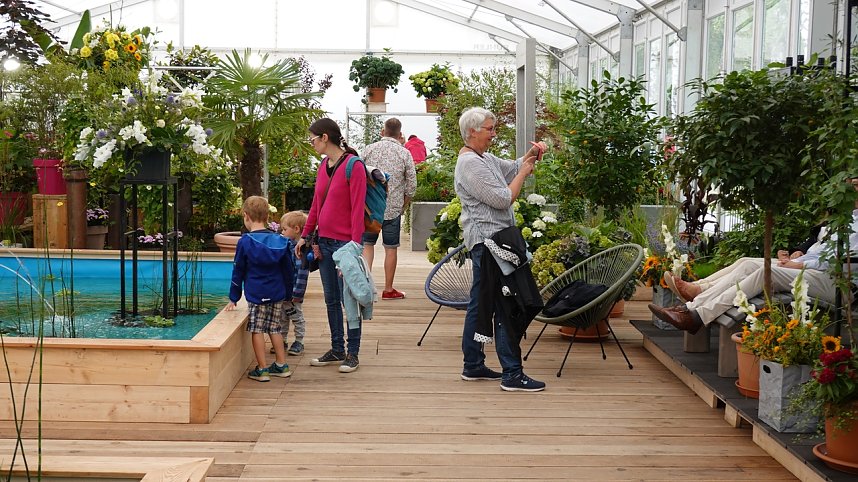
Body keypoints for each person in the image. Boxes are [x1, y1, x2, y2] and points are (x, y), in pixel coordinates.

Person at [652, 197, 858, 333]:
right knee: (748, 263)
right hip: (814, 269)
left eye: (855, 186)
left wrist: (800, 264)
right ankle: (696, 297)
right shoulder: (845, 218)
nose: (850, 190)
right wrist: (799, 254)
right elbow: (820, 247)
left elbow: (847, 260)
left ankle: (697, 315)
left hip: (839, 283)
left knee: (766, 272)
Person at [455, 106, 547, 392]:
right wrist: (524, 171)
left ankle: (473, 364)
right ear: (472, 131)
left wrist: (531, 156)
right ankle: (512, 373)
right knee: (508, 305)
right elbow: (503, 198)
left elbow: (511, 166)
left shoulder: (484, 159)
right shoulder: (470, 164)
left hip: (492, 242)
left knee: (481, 303)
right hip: (492, 244)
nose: (494, 134)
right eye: (490, 129)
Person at [294, 118, 366, 373]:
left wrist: (355, 248)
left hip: (345, 246)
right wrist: (305, 234)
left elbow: (358, 209)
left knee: (350, 299)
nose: (311, 143)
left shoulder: (354, 166)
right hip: (323, 243)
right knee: (331, 299)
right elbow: (316, 204)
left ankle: (353, 353)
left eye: (312, 139)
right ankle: (337, 348)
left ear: (325, 137)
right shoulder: (323, 165)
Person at [225, 196, 293, 382]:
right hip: (277, 292)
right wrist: (288, 294)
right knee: (275, 328)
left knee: (257, 329)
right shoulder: (280, 241)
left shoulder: (245, 242)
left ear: (246, 216)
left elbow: (238, 270)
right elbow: (288, 271)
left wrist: (234, 297)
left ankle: (262, 369)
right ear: (266, 216)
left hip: (256, 293)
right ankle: (281, 365)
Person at [361, 118, 417, 300]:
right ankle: (388, 289)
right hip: (393, 209)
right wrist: (403, 204)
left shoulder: (368, 149)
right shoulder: (404, 153)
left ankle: (366, 288)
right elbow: (412, 187)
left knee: (367, 246)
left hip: (370, 209)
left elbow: (357, 175)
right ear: (400, 135)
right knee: (390, 248)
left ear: (382, 132)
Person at [277, 210, 310, 356]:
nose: (282, 232)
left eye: (284, 229)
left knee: (296, 316)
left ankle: (299, 341)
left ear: (296, 229)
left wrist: (296, 293)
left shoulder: (300, 251)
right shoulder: (286, 246)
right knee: (281, 317)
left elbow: (302, 274)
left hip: (293, 294)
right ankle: (282, 339)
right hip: (283, 292)